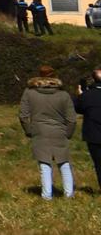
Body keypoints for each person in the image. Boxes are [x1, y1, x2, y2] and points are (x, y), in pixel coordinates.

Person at [19, 64, 78, 199]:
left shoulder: (29, 92)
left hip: (39, 131)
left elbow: (23, 115)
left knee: (44, 164)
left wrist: (29, 131)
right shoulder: (63, 94)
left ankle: (46, 195)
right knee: (64, 163)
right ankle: (69, 194)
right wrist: (68, 133)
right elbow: (72, 119)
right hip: (59, 131)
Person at [75, 69, 101, 192]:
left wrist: (81, 94)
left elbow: (78, 108)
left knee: (99, 164)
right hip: (94, 134)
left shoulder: (87, 95)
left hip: (94, 134)